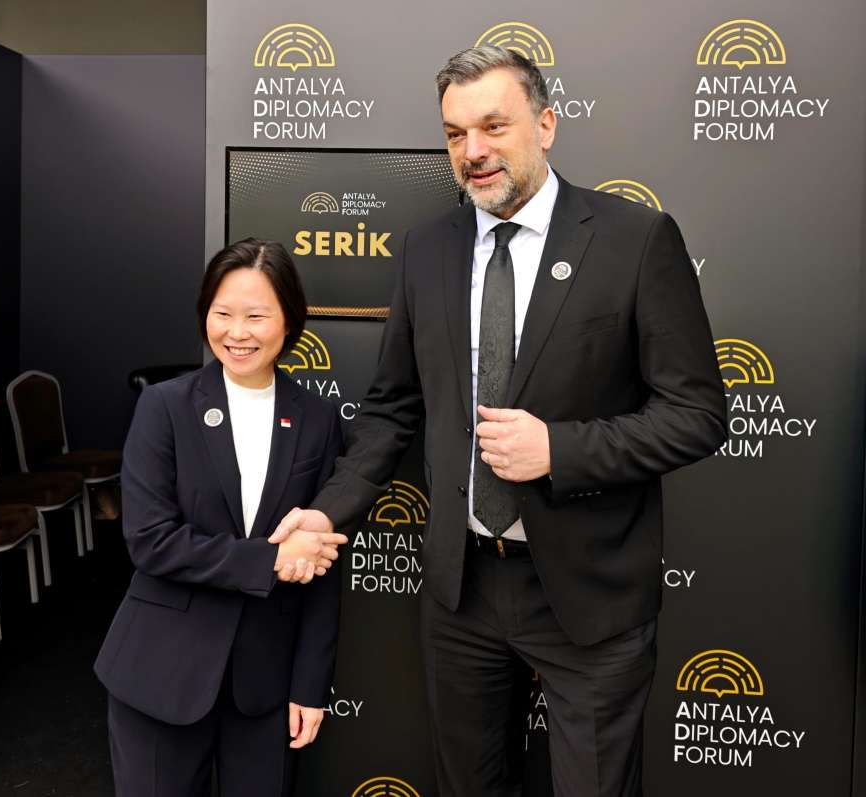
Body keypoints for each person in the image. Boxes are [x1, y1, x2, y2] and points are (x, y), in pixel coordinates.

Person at [269, 46, 726, 796]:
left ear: (545, 125)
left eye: (493, 126)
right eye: (455, 134)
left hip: (589, 591)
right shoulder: (427, 249)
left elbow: (698, 414)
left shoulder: (636, 239)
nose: (473, 151)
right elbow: (392, 408)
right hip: (463, 590)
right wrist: (326, 512)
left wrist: (560, 449)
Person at [95, 238, 348, 796]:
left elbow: (322, 566)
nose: (237, 332)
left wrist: (310, 685)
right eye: (222, 313)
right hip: (161, 674)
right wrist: (271, 560)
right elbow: (150, 541)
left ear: (289, 320)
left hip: (265, 686)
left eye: (256, 316)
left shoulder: (318, 419)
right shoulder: (164, 406)